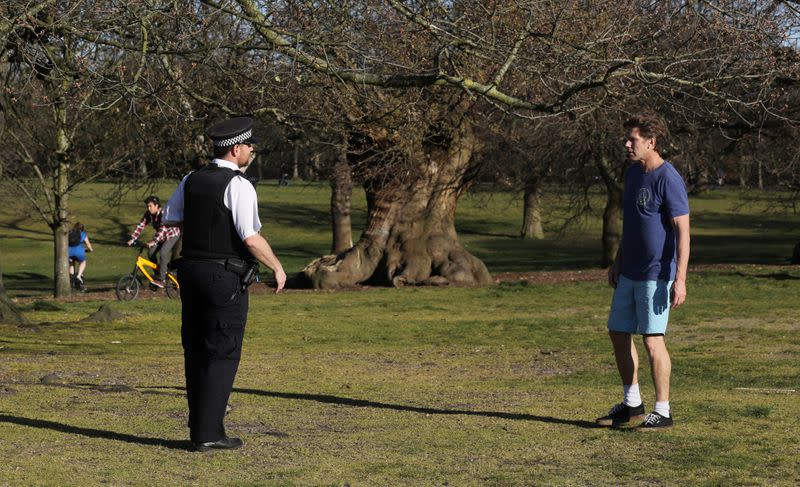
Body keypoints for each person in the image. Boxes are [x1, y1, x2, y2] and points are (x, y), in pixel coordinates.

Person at [163, 117, 286, 452]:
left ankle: (199, 428)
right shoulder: (239, 185)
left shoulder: (191, 178)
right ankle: (209, 434)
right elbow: (250, 237)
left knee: (196, 350)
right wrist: (276, 267)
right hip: (224, 278)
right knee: (223, 352)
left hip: (190, 273)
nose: (251, 152)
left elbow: (170, 217)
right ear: (236, 149)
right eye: (249, 147)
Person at [596, 113, 690, 432]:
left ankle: (662, 411)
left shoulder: (669, 178)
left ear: (651, 142)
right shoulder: (633, 175)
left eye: (632, 139)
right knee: (618, 331)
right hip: (630, 271)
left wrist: (679, 279)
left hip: (656, 274)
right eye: (627, 138)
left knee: (652, 339)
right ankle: (632, 402)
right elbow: (632, 226)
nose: (626, 144)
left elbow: (683, 232)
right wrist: (618, 261)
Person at [127, 195, 181, 288]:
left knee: (163, 253)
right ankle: (159, 274)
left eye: (150, 206)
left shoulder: (164, 213)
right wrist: (133, 238)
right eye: (147, 206)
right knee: (151, 253)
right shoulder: (148, 214)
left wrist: (154, 241)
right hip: (161, 237)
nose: (148, 208)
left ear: (157, 206)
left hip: (172, 234)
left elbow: (163, 229)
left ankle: (162, 279)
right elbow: (141, 225)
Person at [68, 222, 94, 291]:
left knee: (71, 263)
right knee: (83, 262)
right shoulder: (82, 234)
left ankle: (71, 278)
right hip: (79, 252)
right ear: (82, 229)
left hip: (69, 252)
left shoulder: (70, 233)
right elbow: (88, 244)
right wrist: (90, 249)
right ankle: (78, 276)